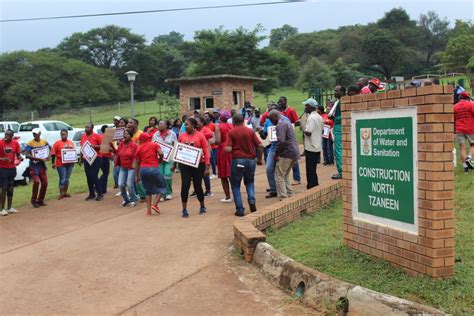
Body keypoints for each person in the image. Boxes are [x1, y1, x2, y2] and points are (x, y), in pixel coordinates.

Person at [225, 114, 263, 216]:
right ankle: (251, 200)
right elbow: (260, 145)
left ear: (233, 122)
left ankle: (240, 209)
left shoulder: (231, 132)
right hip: (251, 161)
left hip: (238, 161)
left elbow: (228, 149)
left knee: (236, 185)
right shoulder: (250, 131)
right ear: (243, 121)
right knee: (250, 182)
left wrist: (229, 148)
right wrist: (259, 159)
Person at [173, 118, 210, 218]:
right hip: (184, 165)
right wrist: (174, 165)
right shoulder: (181, 136)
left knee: (198, 186)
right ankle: (184, 209)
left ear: (193, 125)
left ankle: (202, 206)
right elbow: (177, 151)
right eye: (185, 125)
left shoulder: (200, 136)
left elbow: (206, 151)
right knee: (185, 185)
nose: (185, 126)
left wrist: (207, 166)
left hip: (198, 164)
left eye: (187, 124)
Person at [260, 107, 291, 198]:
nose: (270, 119)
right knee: (269, 168)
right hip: (273, 147)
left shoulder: (285, 120)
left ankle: (284, 189)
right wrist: (262, 133)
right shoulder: (268, 121)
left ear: (275, 114)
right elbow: (264, 136)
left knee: (282, 171)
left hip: (284, 148)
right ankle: (273, 189)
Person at [268, 110, 299, 199]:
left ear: (275, 116)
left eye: (271, 120)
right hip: (293, 152)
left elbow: (281, 142)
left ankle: (283, 197)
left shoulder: (280, 125)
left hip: (287, 153)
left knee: (279, 175)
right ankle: (290, 194)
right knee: (285, 174)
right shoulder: (286, 121)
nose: (271, 122)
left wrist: (277, 154)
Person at [134, 133, 165, 215]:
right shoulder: (154, 145)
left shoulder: (139, 148)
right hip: (154, 168)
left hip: (143, 169)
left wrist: (137, 175)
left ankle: (148, 210)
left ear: (141, 139)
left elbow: (137, 163)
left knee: (147, 190)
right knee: (161, 187)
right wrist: (160, 160)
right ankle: (155, 204)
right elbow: (161, 153)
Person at [111, 129, 139, 207]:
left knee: (130, 184)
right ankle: (126, 199)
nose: (125, 135)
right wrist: (112, 148)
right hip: (123, 167)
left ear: (131, 136)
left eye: (127, 134)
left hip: (131, 168)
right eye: (124, 134)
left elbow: (137, 157)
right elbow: (118, 153)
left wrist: (137, 171)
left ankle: (133, 199)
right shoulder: (121, 144)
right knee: (121, 184)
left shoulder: (134, 145)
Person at [278, 96, 301, 185]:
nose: (280, 103)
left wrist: (292, 124)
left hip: (290, 137)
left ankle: (297, 178)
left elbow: (297, 122)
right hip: (283, 136)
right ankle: (285, 178)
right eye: (279, 102)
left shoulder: (291, 110)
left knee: (293, 158)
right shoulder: (280, 112)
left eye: (282, 102)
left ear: (286, 101)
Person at [25, 128, 50, 208]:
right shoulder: (30, 143)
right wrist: (37, 158)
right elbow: (27, 155)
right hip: (34, 165)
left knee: (45, 183)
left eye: (36, 134)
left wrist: (48, 156)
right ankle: (34, 200)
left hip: (42, 165)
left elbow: (50, 148)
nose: (35, 135)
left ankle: (40, 200)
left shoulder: (44, 142)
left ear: (40, 133)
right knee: (36, 182)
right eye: (34, 134)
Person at [153, 120, 177, 200]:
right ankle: (162, 194)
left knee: (167, 175)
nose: (159, 125)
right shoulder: (155, 134)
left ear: (166, 126)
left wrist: (174, 161)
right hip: (159, 159)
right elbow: (152, 145)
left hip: (169, 158)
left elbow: (175, 146)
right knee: (160, 176)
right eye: (159, 124)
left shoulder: (172, 134)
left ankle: (168, 192)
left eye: (161, 124)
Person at [0, 130, 22, 216]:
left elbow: (18, 153)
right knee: (4, 188)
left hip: (12, 168)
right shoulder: (0, 143)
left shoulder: (15, 143)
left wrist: (20, 158)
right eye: (6, 134)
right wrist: (2, 159)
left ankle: (9, 208)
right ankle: (2, 209)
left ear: (12, 136)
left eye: (8, 135)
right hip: (2, 168)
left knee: (11, 187)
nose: (6, 136)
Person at [214, 110, 234, 203]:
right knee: (231, 173)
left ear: (220, 117)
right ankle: (235, 194)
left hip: (223, 150)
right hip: (231, 149)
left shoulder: (218, 126)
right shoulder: (231, 126)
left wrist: (211, 142)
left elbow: (218, 140)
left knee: (223, 175)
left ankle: (227, 196)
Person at [303, 101, 323, 189]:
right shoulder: (319, 116)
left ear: (311, 107)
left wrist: (302, 127)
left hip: (310, 146)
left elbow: (308, 132)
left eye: (306, 106)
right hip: (317, 145)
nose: (305, 108)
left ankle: (312, 186)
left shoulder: (311, 117)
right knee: (313, 167)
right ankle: (314, 184)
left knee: (310, 169)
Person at [80, 123, 103, 201]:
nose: (86, 128)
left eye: (88, 127)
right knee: (88, 176)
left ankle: (100, 193)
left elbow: (103, 146)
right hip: (87, 159)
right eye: (85, 127)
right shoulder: (83, 136)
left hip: (96, 158)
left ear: (92, 128)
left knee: (94, 175)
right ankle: (92, 194)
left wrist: (94, 146)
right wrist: (80, 158)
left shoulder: (96, 136)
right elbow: (82, 148)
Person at [51, 129, 75, 200]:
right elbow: (53, 154)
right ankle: (61, 193)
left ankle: (65, 192)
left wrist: (73, 162)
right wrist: (53, 163)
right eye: (62, 134)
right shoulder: (57, 143)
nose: (63, 135)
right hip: (61, 164)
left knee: (67, 179)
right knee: (62, 179)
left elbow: (73, 153)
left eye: (64, 134)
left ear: (67, 134)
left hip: (69, 164)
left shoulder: (71, 143)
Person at [454, 91, 474, 172]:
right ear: (467, 98)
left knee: (462, 148)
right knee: (473, 145)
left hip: (459, 129)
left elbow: (454, 119)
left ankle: (465, 169)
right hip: (470, 128)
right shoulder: (471, 104)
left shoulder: (454, 107)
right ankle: (469, 158)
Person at [328, 85, 346, 180]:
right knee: (338, 150)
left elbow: (343, 115)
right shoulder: (337, 101)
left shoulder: (343, 101)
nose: (334, 92)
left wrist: (334, 117)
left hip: (340, 128)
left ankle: (341, 171)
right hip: (337, 127)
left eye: (336, 91)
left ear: (342, 92)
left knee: (338, 150)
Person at [196, 116, 214, 197]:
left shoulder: (205, 129)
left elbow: (211, 134)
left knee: (204, 172)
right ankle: (197, 190)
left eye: (197, 122)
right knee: (196, 174)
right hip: (196, 154)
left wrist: (200, 135)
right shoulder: (195, 130)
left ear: (202, 123)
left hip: (205, 152)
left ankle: (208, 190)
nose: (196, 123)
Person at [113, 117, 128, 194]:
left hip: (125, 155)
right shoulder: (117, 132)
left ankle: (128, 189)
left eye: (122, 123)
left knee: (124, 171)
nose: (120, 124)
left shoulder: (127, 132)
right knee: (117, 171)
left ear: (125, 124)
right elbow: (115, 143)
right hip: (118, 154)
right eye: (119, 123)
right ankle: (123, 189)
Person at [98, 125, 111, 195]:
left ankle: (101, 187)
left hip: (100, 156)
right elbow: (106, 149)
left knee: (105, 172)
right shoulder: (106, 137)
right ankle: (101, 187)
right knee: (106, 173)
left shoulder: (101, 136)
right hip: (104, 156)